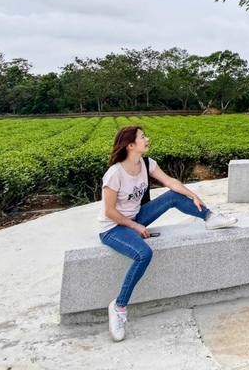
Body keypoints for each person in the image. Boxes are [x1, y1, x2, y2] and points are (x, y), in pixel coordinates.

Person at [99, 125, 236, 341]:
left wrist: (193, 196)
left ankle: (210, 218)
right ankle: (119, 307)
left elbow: (170, 182)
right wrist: (134, 227)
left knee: (173, 195)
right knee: (143, 253)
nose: (147, 139)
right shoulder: (114, 174)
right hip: (114, 228)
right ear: (131, 145)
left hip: (136, 217)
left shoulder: (146, 163)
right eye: (142, 137)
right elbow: (109, 212)